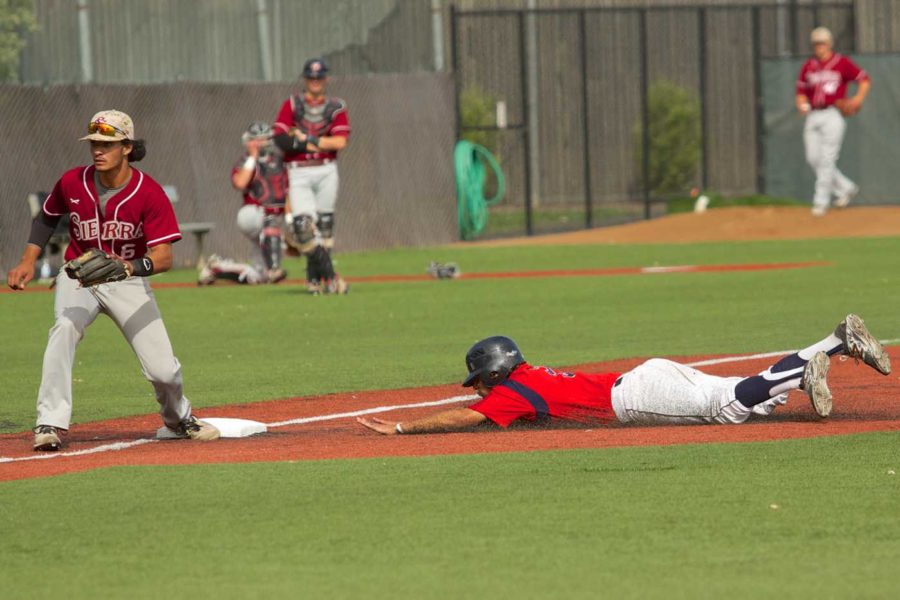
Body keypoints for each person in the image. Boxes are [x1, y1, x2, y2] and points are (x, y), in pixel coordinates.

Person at [5, 110, 220, 451]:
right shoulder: (72, 181)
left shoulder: (148, 192)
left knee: (163, 371)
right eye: (94, 143)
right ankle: (50, 422)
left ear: (127, 147)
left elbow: (164, 257)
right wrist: (27, 260)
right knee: (64, 329)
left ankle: (179, 419)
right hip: (79, 276)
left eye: (107, 143)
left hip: (128, 280)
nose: (97, 150)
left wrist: (130, 267)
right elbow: (46, 217)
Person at [358, 314, 891, 435]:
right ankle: (832, 342)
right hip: (645, 376)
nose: (480, 389)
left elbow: (463, 417)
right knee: (733, 395)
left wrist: (404, 427)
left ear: (494, 373)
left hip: (638, 395)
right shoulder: (533, 377)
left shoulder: (514, 392)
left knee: (728, 408)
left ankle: (798, 378)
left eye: (481, 380)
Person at [273, 57, 351, 294]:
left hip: (326, 169)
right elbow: (281, 138)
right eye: (311, 77)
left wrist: (306, 139)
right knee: (303, 228)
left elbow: (340, 141)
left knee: (325, 229)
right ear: (305, 79)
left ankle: (315, 280)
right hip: (299, 172)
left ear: (326, 79)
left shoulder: (336, 106)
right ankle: (332, 276)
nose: (315, 81)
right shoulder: (293, 104)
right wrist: (314, 145)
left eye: (319, 77)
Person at [796, 27, 871, 217]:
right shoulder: (809, 66)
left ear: (829, 44)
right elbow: (801, 92)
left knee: (828, 159)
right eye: (816, 43)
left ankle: (820, 202)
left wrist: (857, 99)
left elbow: (864, 79)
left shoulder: (841, 63)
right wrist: (802, 104)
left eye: (822, 43)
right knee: (813, 158)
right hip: (813, 114)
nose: (818, 47)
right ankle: (846, 187)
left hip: (833, 114)